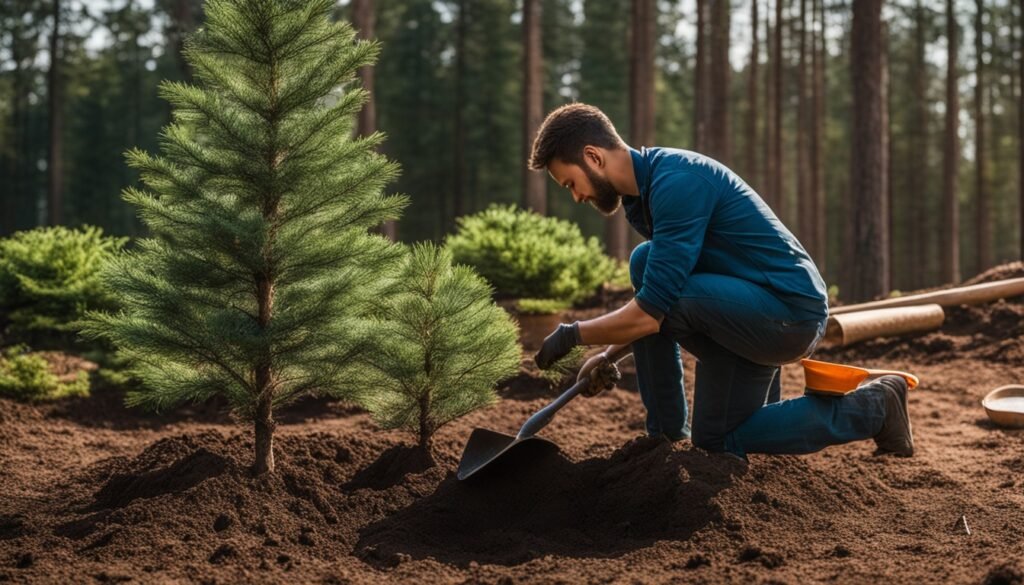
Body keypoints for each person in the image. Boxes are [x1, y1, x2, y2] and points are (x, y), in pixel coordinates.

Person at [528, 103, 913, 459]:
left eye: (570, 183)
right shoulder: (641, 200)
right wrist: (607, 357)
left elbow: (651, 313)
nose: (576, 196)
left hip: (787, 315)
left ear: (593, 157)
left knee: (663, 300)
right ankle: (665, 440)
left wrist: (572, 335)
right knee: (715, 441)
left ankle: (873, 406)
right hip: (742, 313)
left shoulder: (676, 182)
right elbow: (661, 292)